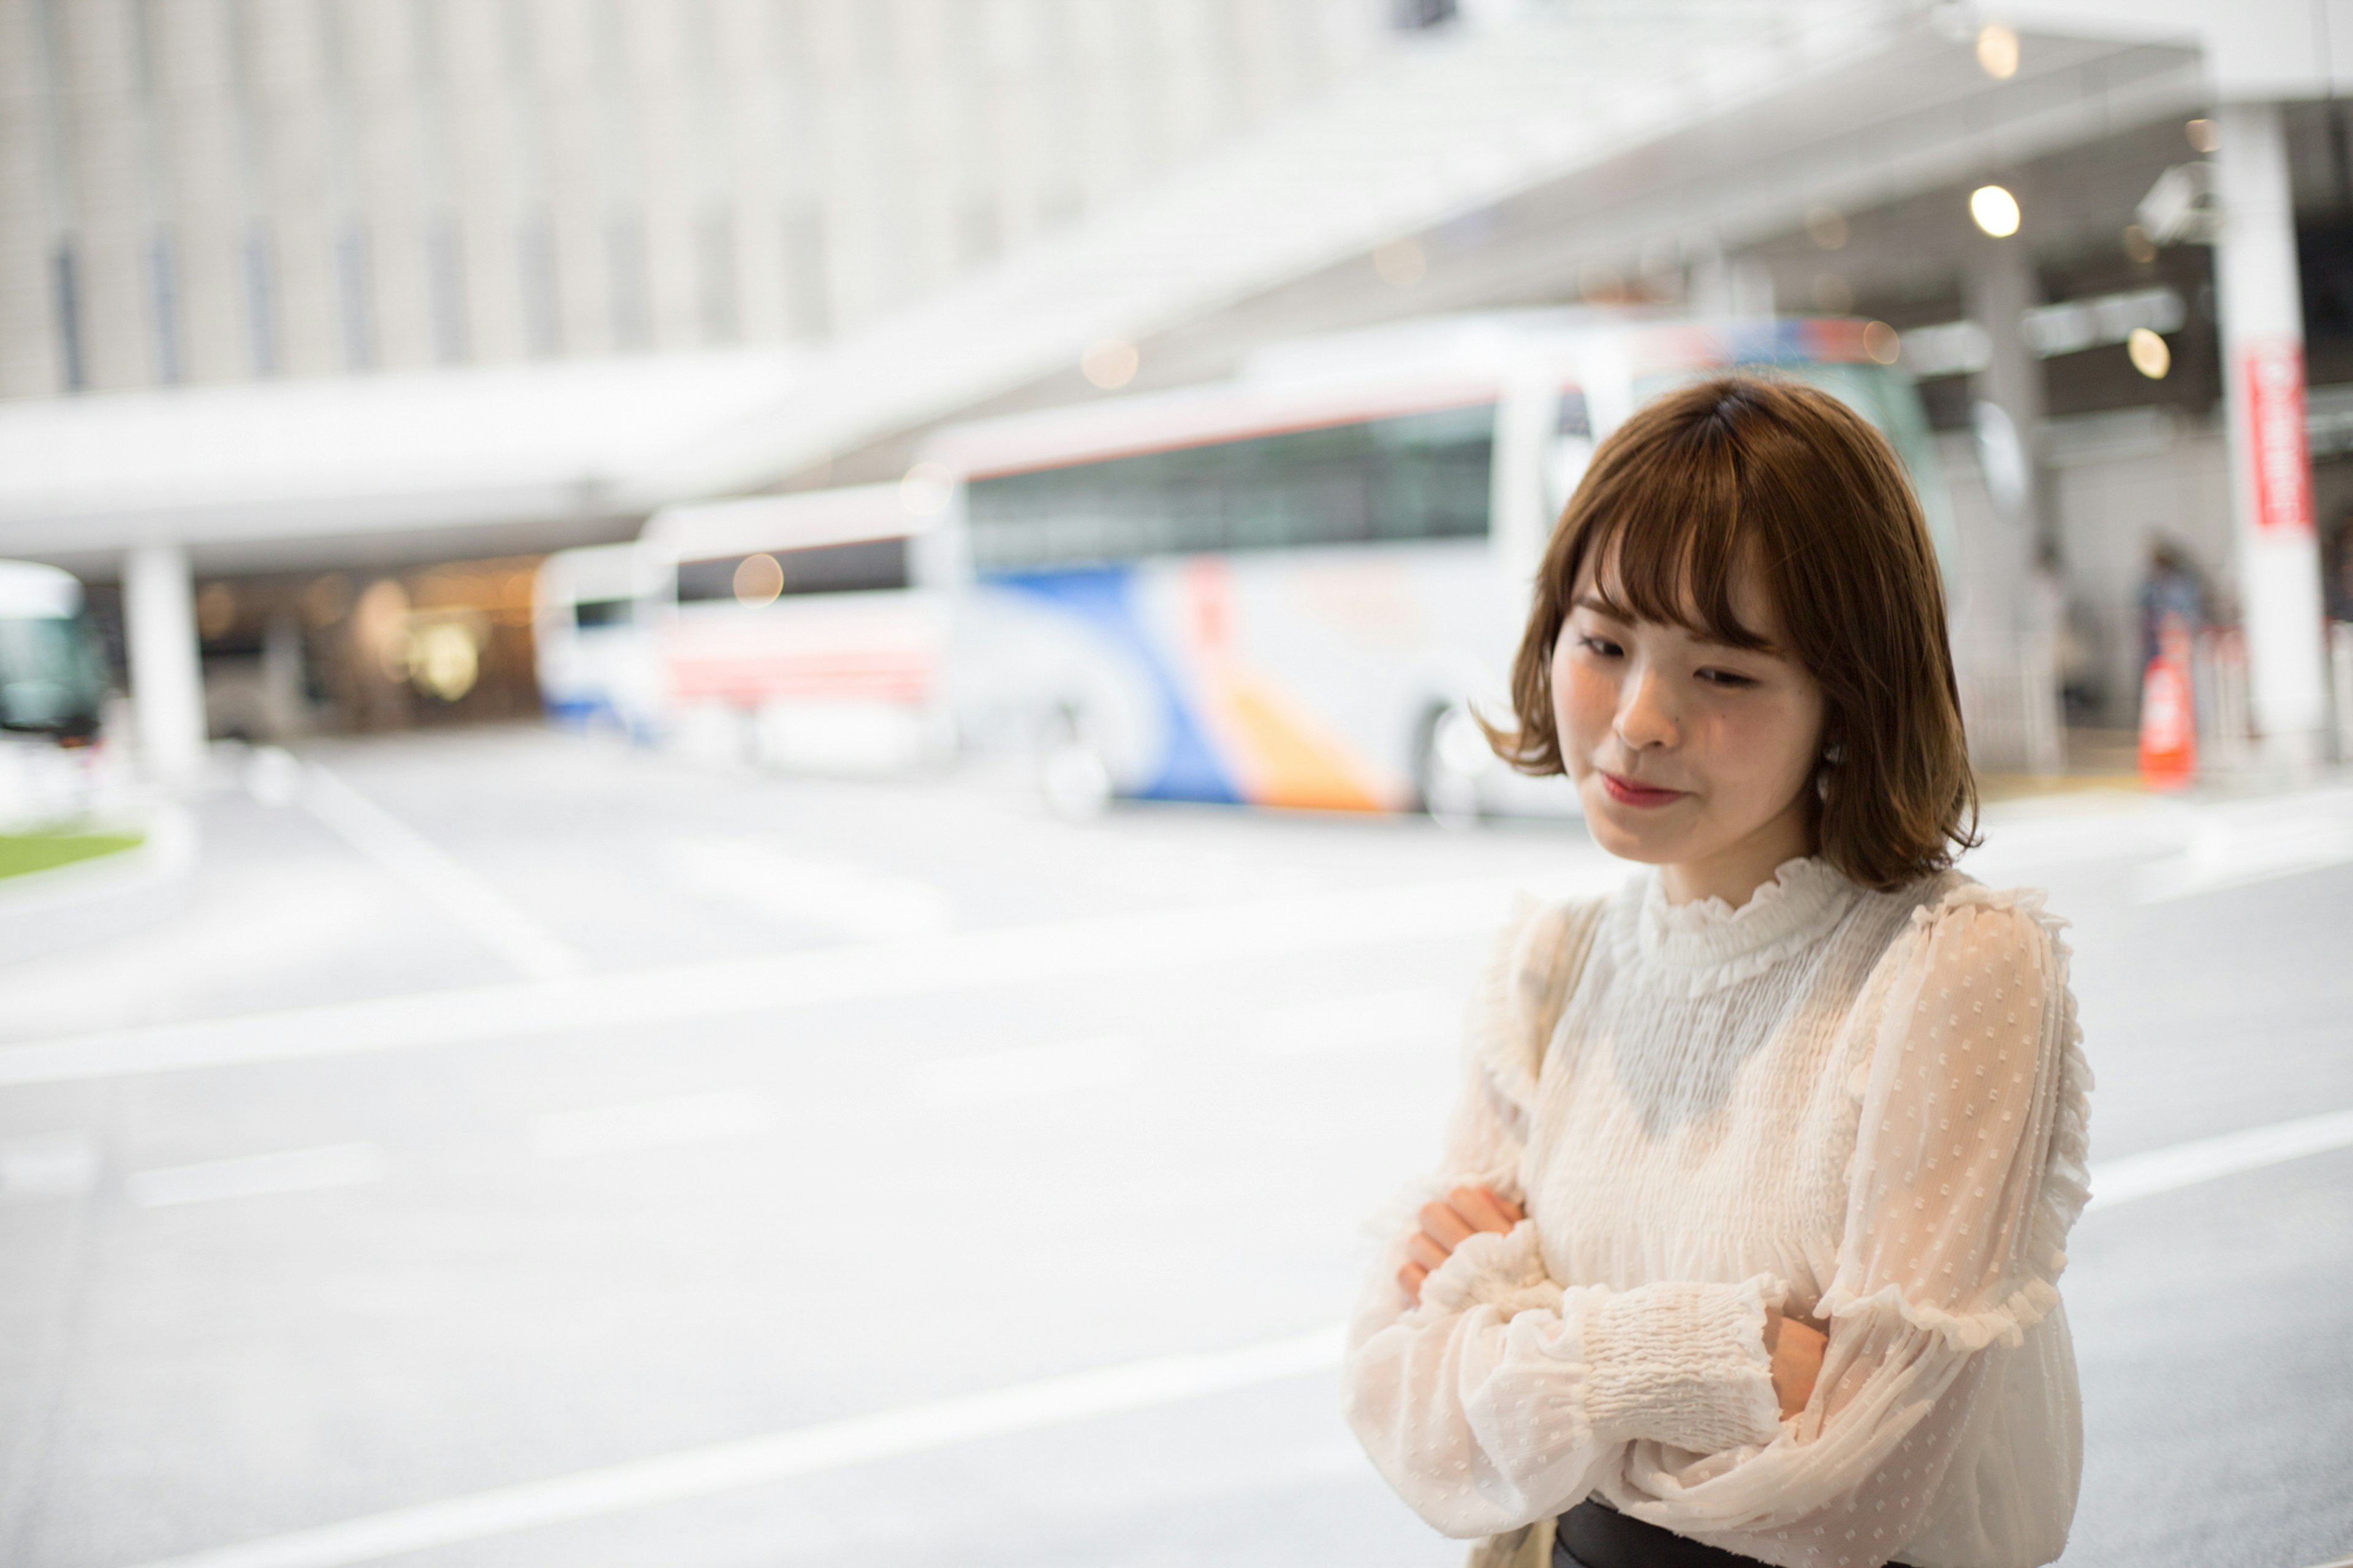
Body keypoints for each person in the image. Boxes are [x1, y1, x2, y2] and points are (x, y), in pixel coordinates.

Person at [1341, 377, 2090, 1568]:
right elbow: (1408, 1404)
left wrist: (1528, 1342)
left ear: (1845, 697)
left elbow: (1859, 1486)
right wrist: (1719, 1359)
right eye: (1602, 641)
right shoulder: (1550, 968)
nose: (1639, 718)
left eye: (1726, 673)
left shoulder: (1950, 966)